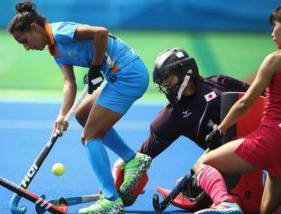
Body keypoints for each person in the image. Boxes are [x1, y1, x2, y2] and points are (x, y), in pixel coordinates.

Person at [7, 0, 152, 213]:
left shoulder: (61, 32)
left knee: (89, 135)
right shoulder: (54, 50)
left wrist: (94, 68)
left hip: (127, 73)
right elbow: (69, 84)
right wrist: (62, 115)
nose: (27, 48)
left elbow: (100, 33)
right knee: (82, 114)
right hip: (116, 75)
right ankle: (132, 159)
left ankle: (111, 200)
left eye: (25, 41)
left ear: (35, 28)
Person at [112, 47, 265, 211]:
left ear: (185, 70)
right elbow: (144, 154)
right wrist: (122, 176)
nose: (165, 85)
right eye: (161, 82)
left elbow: (261, 96)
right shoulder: (171, 116)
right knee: (195, 188)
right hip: (228, 164)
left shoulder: (220, 83)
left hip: (259, 145)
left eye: (167, 78)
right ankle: (225, 203)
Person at [192, 5, 281, 214]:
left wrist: (220, 129)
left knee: (203, 162)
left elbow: (245, 102)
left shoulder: (275, 59)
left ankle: (224, 202)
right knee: (266, 210)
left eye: (275, 28)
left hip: (269, 141)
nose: (271, 34)